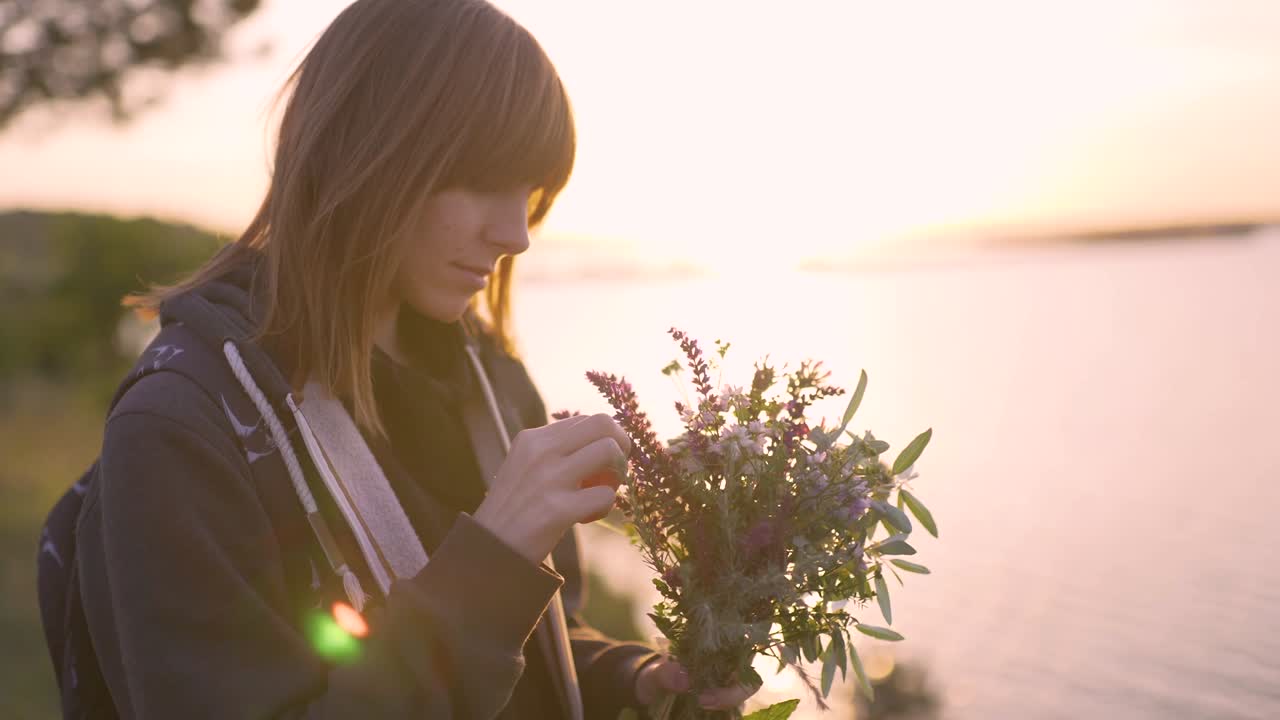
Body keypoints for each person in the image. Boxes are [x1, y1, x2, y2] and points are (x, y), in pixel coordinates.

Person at [60, 0, 761, 717]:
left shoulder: (488, 376)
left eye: (533, 192)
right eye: (484, 181)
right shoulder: (180, 430)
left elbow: (528, 648)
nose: (518, 233)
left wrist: (635, 681)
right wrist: (493, 558)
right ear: (366, 154)